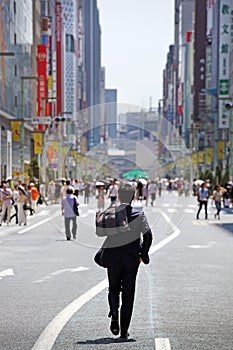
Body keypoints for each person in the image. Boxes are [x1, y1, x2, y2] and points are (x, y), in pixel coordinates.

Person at [100, 183, 152, 339]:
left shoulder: (112, 213)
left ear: (119, 196)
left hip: (113, 256)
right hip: (131, 258)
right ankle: (124, 331)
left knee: (113, 288)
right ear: (134, 197)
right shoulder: (139, 214)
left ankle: (114, 313)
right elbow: (148, 236)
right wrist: (144, 253)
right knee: (128, 294)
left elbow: (102, 232)